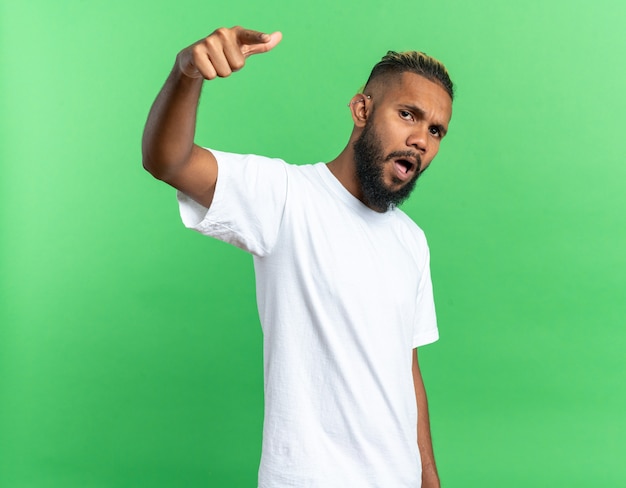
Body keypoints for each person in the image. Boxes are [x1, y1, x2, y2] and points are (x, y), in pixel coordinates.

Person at [142, 26, 453, 488]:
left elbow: (404, 361)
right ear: (362, 109)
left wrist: (428, 475)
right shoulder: (287, 197)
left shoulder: (411, 240)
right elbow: (168, 160)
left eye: (435, 130)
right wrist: (186, 72)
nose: (421, 141)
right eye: (408, 114)